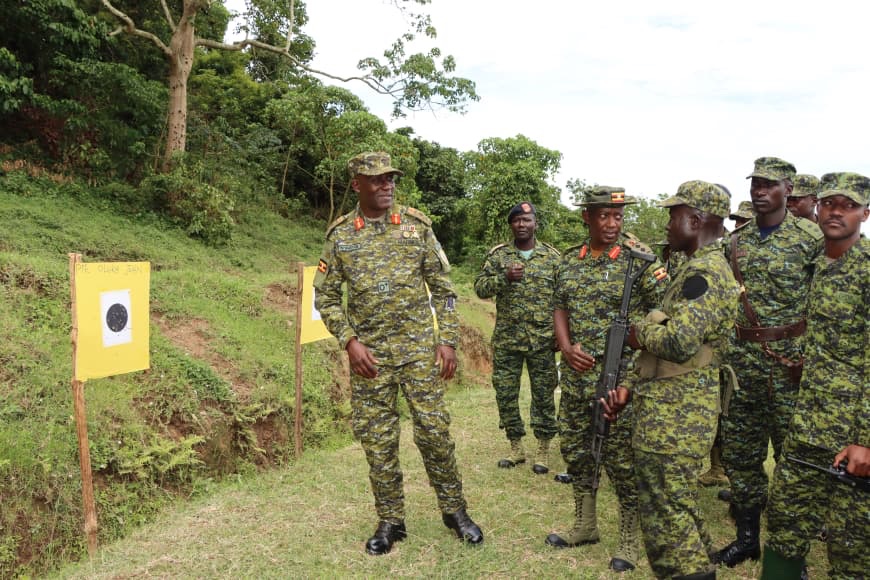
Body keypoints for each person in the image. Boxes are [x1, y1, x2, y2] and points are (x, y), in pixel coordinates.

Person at [313, 151, 483, 555]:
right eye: (377, 179)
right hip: (370, 360)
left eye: (390, 178)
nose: (386, 185)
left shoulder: (416, 227)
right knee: (378, 441)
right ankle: (391, 520)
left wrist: (447, 341)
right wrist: (350, 341)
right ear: (357, 184)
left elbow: (444, 290)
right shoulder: (341, 236)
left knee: (435, 432)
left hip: (419, 354)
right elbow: (326, 298)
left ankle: (454, 511)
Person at [603, 180, 741, 579]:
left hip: (678, 417)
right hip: (667, 409)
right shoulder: (691, 268)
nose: (667, 225)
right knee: (675, 508)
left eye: (673, 216)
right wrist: (631, 385)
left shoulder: (707, 272)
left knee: (667, 515)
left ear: (695, 220)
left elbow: (680, 342)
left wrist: (638, 331)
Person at [545, 186, 666, 572]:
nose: (612, 223)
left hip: (621, 382)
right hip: (577, 379)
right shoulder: (570, 260)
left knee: (622, 462)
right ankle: (585, 524)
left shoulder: (640, 260)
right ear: (587, 217)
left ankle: (629, 538)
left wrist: (632, 378)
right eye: (603, 216)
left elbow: (661, 319)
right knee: (578, 452)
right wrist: (566, 348)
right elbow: (559, 306)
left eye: (617, 216)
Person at [714, 157, 823, 568]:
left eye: (769, 184)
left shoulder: (810, 239)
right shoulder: (735, 242)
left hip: (790, 364)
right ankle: (747, 540)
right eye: (755, 184)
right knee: (741, 456)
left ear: (787, 189)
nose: (759, 191)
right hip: (742, 367)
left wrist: (811, 358)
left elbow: (826, 303)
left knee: (794, 460)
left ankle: (790, 556)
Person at [760, 172, 869, 579]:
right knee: (785, 521)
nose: (837, 212)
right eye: (830, 204)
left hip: (850, 433)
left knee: (851, 544)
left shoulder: (866, 270)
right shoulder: (814, 264)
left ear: (865, 213)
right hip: (807, 423)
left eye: (849, 206)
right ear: (818, 208)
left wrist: (865, 439)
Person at [474, 202, 560, 473]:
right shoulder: (499, 256)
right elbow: (480, 288)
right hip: (508, 340)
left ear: (536, 223)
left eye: (527, 220)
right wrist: (504, 277)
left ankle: (543, 449)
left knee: (544, 394)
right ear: (511, 225)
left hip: (542, 339)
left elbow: (564, 298)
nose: (522, 225)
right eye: (517, 220)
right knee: (506, 393)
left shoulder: (552, 258)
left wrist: (562, 334)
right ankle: (516, 447)